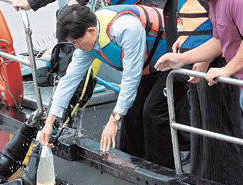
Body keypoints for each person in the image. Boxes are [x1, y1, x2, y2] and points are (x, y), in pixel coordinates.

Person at [38, 4, 190, 169]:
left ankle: (162, 170)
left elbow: (131, 76)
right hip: (148, 66)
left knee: (153, 111)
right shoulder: (85, 43)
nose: (76, 48)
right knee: (131, 110)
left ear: (90, 31)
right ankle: (130, 164)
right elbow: (70, 79)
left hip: (175, 59)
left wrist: (114, 119)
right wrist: (50, 122)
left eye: (77, 43)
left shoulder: (125, 29)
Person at [155, 0, 243, 185]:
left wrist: (226, 69)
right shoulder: (214, 6)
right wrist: (181, 58)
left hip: (229, 73)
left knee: (222, 130)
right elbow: (219, 41)